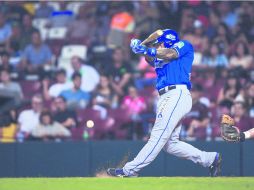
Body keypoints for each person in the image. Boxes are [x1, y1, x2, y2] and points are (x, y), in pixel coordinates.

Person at [107, 29, 221, 177]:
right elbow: (149, 57)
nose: (157, 46)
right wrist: (142, 45)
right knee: (170, 145)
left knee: (157, 135)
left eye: (159, 44)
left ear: (167, 41)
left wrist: (146, 49)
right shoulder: (159, 55)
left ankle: (129, 171)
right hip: (166, 97)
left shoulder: (183, 45)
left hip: (177, 94)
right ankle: (210, 159)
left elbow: (170, 54)